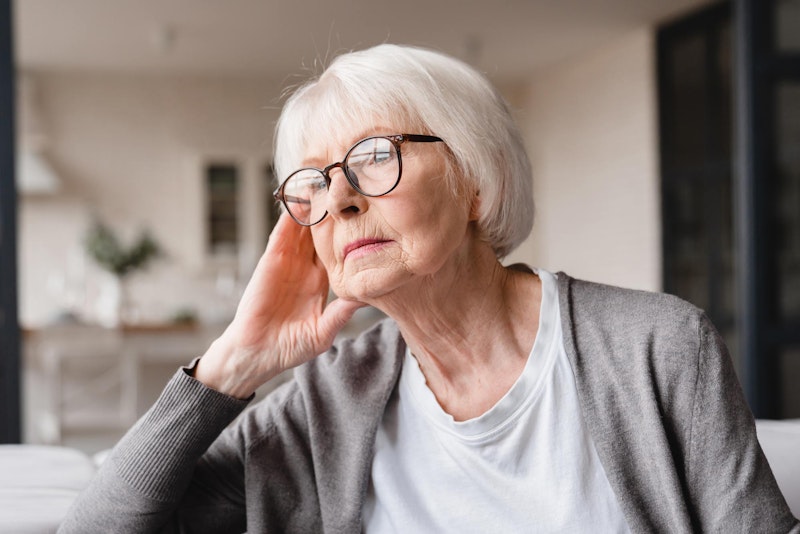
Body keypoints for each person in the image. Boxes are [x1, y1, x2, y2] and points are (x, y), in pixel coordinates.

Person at [59, 44, 798, 534]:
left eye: (374, 157)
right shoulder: (325, 403)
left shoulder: (655, 346)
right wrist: (231, 366)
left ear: (476, 182)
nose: (340, 200)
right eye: (314, 182)